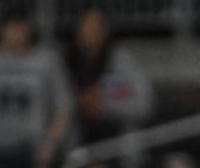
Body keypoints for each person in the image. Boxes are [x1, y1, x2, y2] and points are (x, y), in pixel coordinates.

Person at [0, 6, 72, 168]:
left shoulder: (45, 61)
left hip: (32, 151)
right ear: (3, 30)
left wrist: (49, 145)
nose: (17, 33)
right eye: (12, 27)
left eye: (21, 27)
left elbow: (63, 107)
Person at [64, 8, 154, 143]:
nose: (92, 33)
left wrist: (104, 103)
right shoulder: (65, 63)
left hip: (115, 140)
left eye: (97, 27)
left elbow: (145, 103)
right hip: (77, 140)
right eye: (87, 28)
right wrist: (81, 102)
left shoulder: (120, 61)